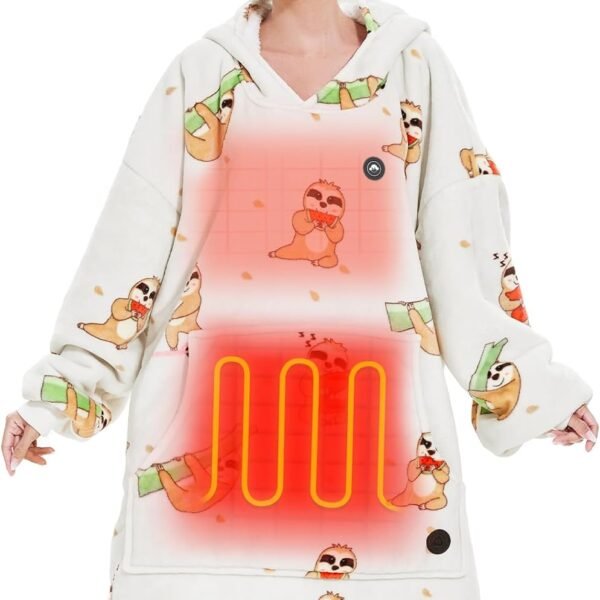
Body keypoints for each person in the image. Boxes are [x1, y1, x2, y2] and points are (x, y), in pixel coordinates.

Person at [3, 0, 597, 599]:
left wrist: (532, 388)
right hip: (209, 474)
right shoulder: (203, 73)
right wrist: (64, 390)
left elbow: (463, 243)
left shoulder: (414, 68)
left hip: (375, 471)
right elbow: (131, 240)